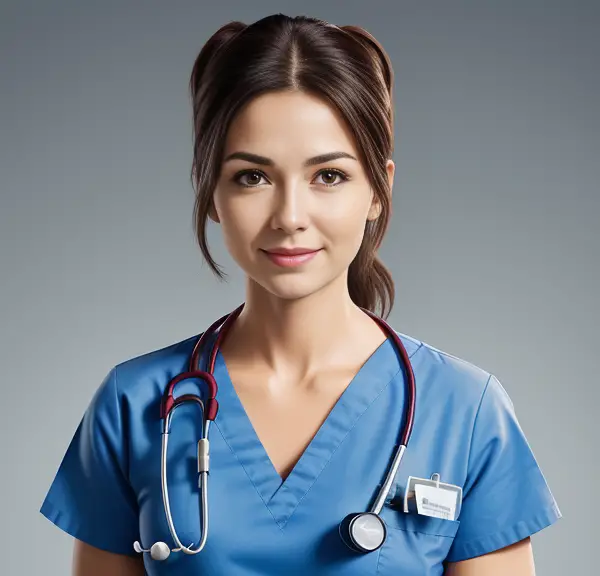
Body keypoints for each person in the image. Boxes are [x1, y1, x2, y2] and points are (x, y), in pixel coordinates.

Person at [39, 13, 561, 576]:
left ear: (377, 191)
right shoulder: (134, 404)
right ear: (211, 191)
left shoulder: (466, 411)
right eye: (252, 177)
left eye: (328, 176)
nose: (290, 217)